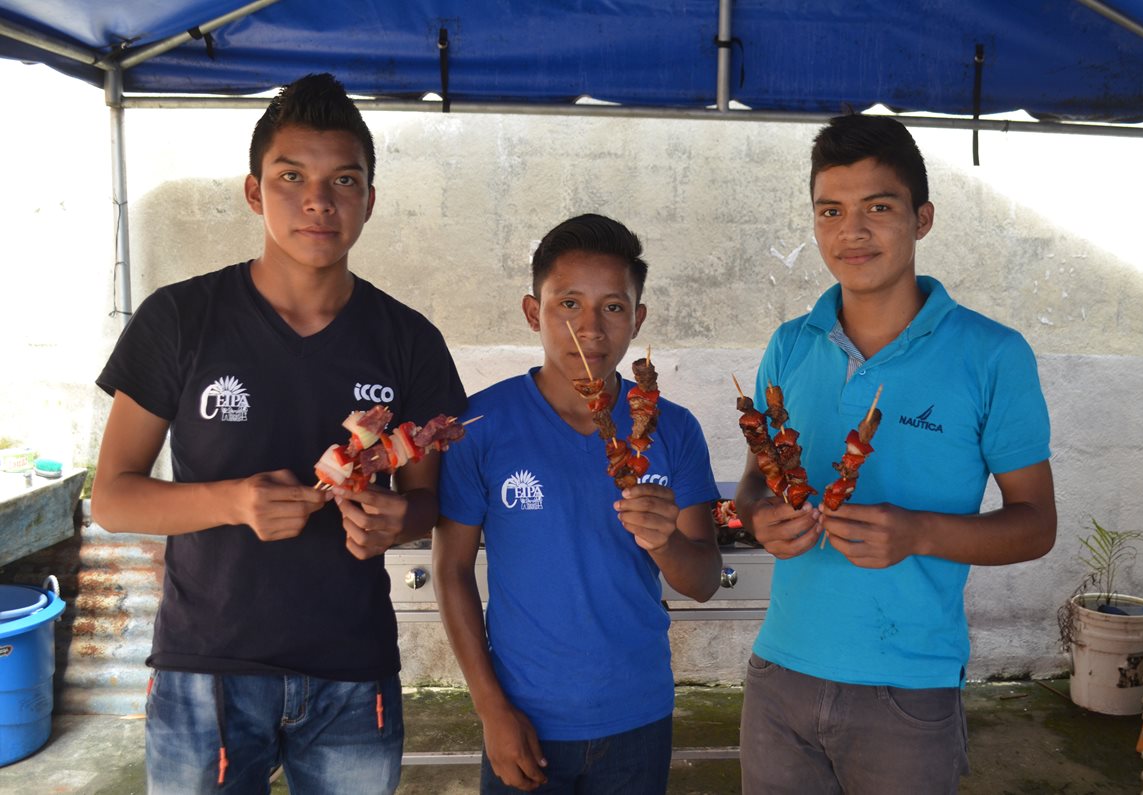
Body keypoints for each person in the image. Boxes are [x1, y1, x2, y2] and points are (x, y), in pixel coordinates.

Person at [90, 73, 466, 794]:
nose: (318, 200)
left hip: (353, 674)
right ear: (255, 192)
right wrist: (236, 500)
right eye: (291, 175)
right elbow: (114, 496)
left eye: (343, 180)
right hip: (206, 675)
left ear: (369, 201)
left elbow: (427, 503)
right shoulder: (179, 319)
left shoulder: (410, 341)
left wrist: (396, 519)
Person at [735, 114, 1056, 794]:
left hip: (908, 688)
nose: (852, 231)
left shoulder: (993, 355)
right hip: (780, 675)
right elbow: (752, 488)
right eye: (831, 210)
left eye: (878, 207)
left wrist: (917, 532)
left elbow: (1035, 522)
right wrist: (761, 519)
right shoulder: (789, 345)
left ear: (922, 218)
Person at [434, 214, 723, 793]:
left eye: (613, 308)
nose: (590, 329)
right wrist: (491, 711)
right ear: (530, 311)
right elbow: (451, 571)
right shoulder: (480, 426)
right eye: (568, 304)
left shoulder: (673, 428)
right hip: (524, 717)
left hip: (638, 714)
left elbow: (704, 580)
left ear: (637, 319)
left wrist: (665, 541)